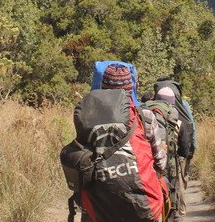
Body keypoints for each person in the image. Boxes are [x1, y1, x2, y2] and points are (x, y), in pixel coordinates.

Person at [76, 63, 167, 222]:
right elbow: (160, 164)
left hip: (98, 206)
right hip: (143, 205)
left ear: (102, 88)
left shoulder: (87, 117)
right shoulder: (145, 116)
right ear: (130, 89)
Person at [153, 79, 196, 222]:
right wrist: (190, 150)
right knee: (178, 184)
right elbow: (191, 129)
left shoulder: (146, 111)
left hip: (150, 161)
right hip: (171, 161)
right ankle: (179, 214)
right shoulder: (182, 109)